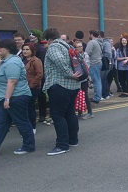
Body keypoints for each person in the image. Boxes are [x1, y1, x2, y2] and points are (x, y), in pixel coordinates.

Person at [0, 39, 34, 157]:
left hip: (16, 97)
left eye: (0, 47)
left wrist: (7, 99)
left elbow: (12, 81)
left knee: (22, 122)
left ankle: (29, 146)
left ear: (8, 49)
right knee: (1, 125)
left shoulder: (12, 62)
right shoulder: (6, 61)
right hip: (6, 97)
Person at [42, 28, 81, 156]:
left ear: (48, 38)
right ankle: (73, 140)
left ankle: (62, 145)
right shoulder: (67, 45)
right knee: (69, 113)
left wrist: (70, 74)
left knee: (58, 115)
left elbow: (59, 61)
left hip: (60, 85)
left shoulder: (54, 47)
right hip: (73, 86)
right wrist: (74, 76)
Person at [22, 43, 43, 134]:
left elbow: (39, 75)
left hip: (33, 88)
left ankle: (33, 127)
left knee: (30, 107)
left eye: (27, 49)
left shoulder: (36, 61)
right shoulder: (22, 60)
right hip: (24, 87)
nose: (25, 51)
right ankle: (27, 127)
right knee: (25, 108)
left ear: (32, 51)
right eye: (24, 49)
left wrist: (30, 85)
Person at [74, 41, 94, 119]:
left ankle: (90, 112)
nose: (80, 48)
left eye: (81, 46)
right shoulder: (74, 55)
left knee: (85, 95)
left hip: (84, 78)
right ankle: (80, 112)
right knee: (78, 95)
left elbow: (86, 67)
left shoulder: (85, 55)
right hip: (77, 78)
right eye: (78, 46)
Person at [85, 30, 103, 103]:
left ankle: (97, 98)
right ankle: (99, 96)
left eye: (89, 34)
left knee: (96, 81)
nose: (88, 36)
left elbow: (87, 53)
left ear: (91, 35)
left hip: (93, 63)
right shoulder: (99, 42)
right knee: (98, 80)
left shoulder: (92, 42)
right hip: (99, 62)